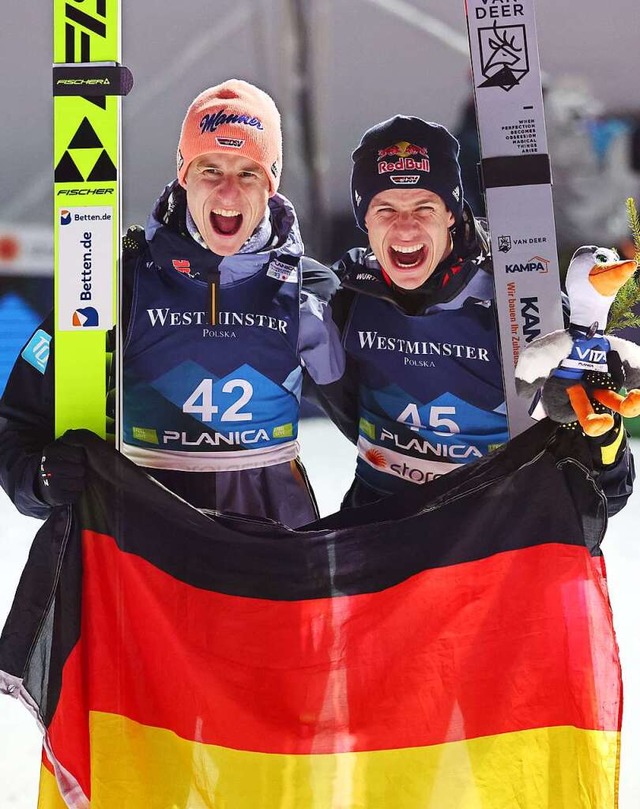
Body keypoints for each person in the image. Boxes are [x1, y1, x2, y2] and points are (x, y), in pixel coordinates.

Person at [0, 79, 344, 527]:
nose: (227, 192)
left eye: (247, 172)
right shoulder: (116, 284)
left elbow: (384, 426)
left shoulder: (310, 290)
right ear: (184, 176)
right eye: (210, 170)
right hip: (147, 556)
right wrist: (42, 480)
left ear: (271, 185)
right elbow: (18, 423)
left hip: (271, 561)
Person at [307, 114, 634, 513]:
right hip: (382, 541)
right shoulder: (349, 295)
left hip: (490, 547)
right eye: (386, 210)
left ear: (451, 212)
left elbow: (606, 496)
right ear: (365, 220)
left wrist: (604, 438)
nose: (405, 229)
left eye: (424, 208)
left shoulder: (514, 297)